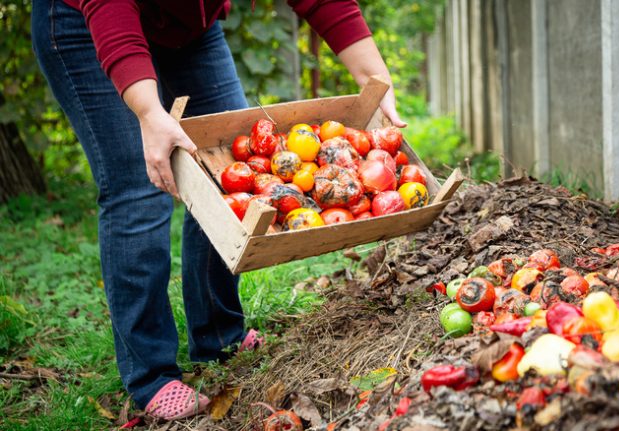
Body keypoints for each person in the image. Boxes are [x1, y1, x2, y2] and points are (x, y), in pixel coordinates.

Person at [31, 0, 405, 421]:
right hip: (89, 22)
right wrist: (150, 113)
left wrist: (378, 82)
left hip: (187, 27)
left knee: (223, 168)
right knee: (138, 186)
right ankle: (151, 375)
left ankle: (218, 336)